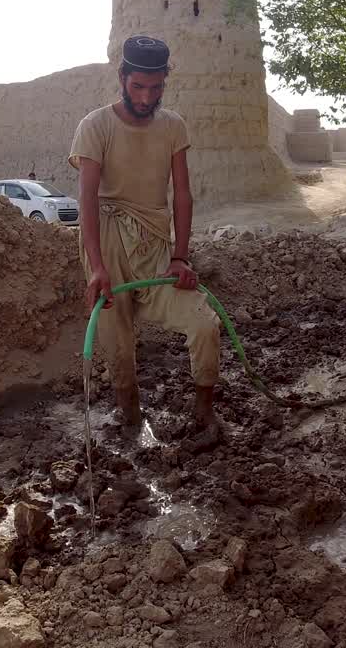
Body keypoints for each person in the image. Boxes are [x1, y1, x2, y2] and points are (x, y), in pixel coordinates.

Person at [68, 35, 224, 450]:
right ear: (122, 78)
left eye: (155, 88)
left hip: (155, 247)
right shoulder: (95, 126)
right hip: (106, 239)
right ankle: (129, 414)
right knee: (115, 334)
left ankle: (205, 413)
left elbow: (183, 195)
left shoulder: (173, 126)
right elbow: (85, 200)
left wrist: (180, 256)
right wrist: (98, 267)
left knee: (204, 323)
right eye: (138, 86)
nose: (146, 96)